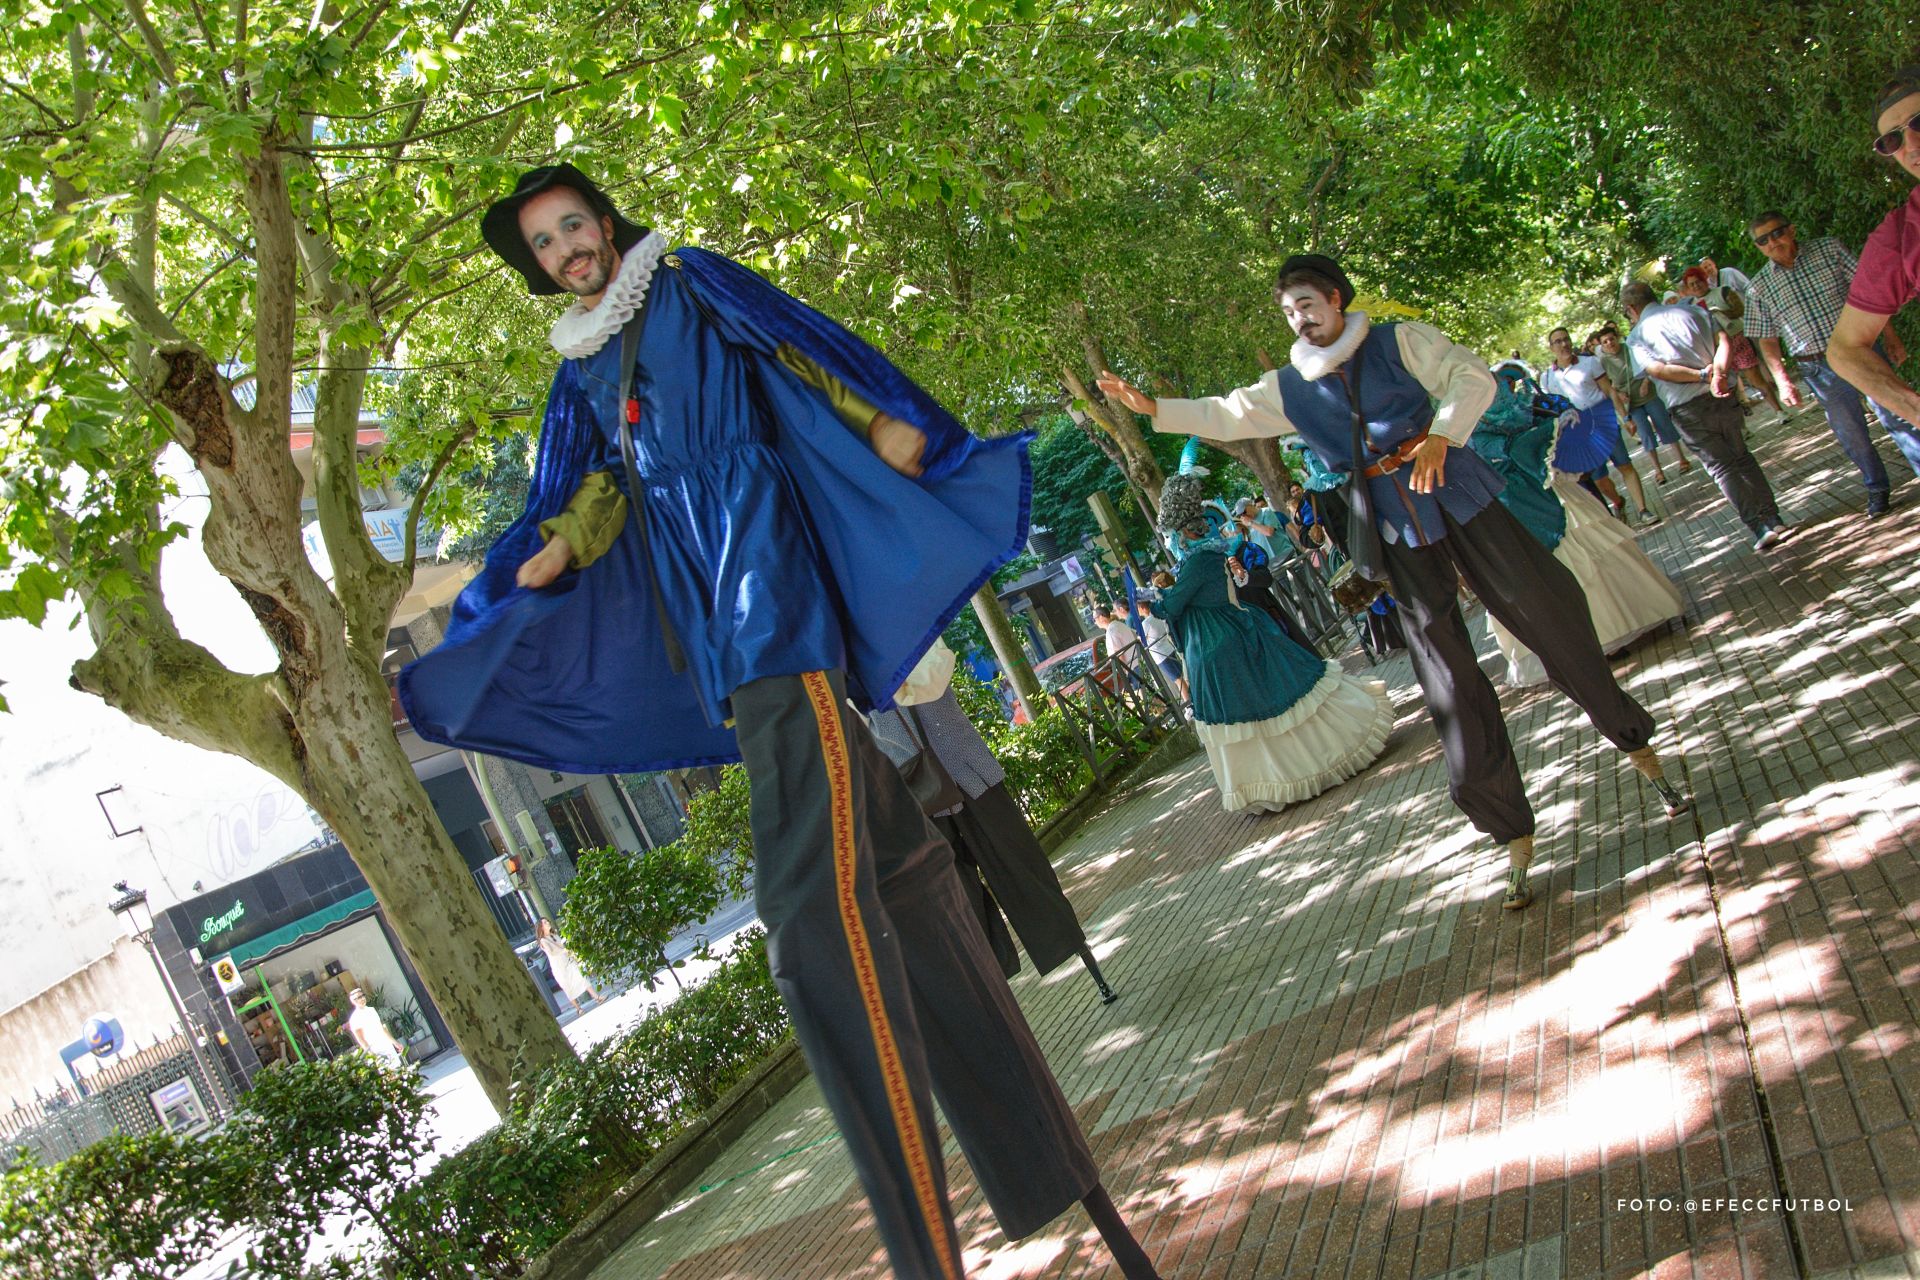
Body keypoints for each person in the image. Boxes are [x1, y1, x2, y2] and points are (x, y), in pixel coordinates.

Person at [398, 165, 1161, 1280]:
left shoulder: (690, 282)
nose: (569, 247)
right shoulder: (582, 368)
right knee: (894, 870)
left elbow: (797, 354)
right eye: (548, 243)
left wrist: (885, 423)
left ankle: (923, 1248)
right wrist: (552, 552)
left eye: (576, 224)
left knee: (808, 903)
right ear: (539, 269)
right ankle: (1043, 1170)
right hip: (704, 600)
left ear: (605, 225)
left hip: (767, 566)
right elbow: (598, 488)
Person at [1099, 253, 1690, 913]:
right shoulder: (1289, 386)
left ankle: (1635, 743)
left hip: (1454, 488)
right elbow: (1227, 413)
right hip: (1389, 522)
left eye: (1307, 304)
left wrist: (1441, 435)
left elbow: (1470, 377)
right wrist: (1151, 407)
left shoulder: (1396, 341)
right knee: (1443, 666)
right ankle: (1507, 829)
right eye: (1289, 311)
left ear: (1334, 297)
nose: (1300, 318)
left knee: (1542, 609)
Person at [885, 642, 1120, 1005]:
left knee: (1024, 871)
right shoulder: (842, 667)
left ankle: (1081, 959)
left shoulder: (916, 631)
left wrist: (888, 681)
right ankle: (994, 997)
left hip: (969, 772)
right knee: (959, 906)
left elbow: (935, 677)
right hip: (918, 795)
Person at [1146, 472, 1392, 816]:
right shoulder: (1203, 558)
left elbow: (1173, 606)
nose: (1172, 541)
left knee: (1264, 707)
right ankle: (1275, 781)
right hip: (1226, 636)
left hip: (1223, 642)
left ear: (1185, 532)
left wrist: (1156, 599)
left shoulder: (1199, 561)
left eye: (1172, 534)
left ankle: (1292, 775)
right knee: (1262, 709)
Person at [1468, 380, 1685, 686]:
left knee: (1581, 547)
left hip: (1543, 491)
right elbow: (1505, 451)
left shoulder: (1504, 405)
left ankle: (1613, 630)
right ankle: (1586, 644)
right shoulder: (1457, 425)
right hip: (1514, 503)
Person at [1744, 210, 1920, 519]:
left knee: (1895, 413)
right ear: (1758, 247)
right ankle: (1878, 488)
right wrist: (1782, 380)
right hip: (1818, 367)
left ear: (1792, 229)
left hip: (1862, 352)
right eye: (1763, 240)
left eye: (1777, 233)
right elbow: (1767, 340)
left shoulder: (1830, 249)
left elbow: (1871, 298)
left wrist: (1890, 336)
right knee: (1851, 433)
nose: (1773, 242)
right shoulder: (1759, 287)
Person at [1622, 280, 1792, 551]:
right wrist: (1719, 375)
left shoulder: (1637, 336)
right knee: (1742, 457)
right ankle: (1774, 518)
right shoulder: (1693, 311)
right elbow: (1724, 340)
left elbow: (1656, 370)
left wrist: (1702, 375)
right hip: (1722, 395)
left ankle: (1759, 527)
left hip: (1687, 407)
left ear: (1631, 308)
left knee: (1722, 468)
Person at [1830, 66, 1920, 436]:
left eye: (1918, 122)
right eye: (1892, 141)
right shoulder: (1899, 236)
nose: (1911, 144)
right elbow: (1844, 350)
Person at [1539, 326, 1658, 524]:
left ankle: (1643, 510)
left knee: (1625, 465)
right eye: (1558, 341)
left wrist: (1625, 417)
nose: (1564, 344)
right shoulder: (1547, 378)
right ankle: (1618, 502)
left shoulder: (1590, 362)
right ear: (1551, 348)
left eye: (1566, 339)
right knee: (1600, 479)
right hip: (1579, 435)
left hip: (1603, 424)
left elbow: (1610, 391)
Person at [1593, 324, 1692, 484]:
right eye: (1605, 342)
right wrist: (1619, 394)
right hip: (1631, 404)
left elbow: (1648, 364)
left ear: (1617, 338)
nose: (1609, 343)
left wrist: (1646, 381)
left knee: (1664, 425)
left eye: (1611, 339)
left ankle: (1682, 459)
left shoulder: (1629, 349)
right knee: (1645, 435)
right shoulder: (1603, 361)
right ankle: (1658, 471)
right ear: (1601, 345)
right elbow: (1607, 385)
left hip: (1648, 394)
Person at [1677, 266, 1782, 414]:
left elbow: (1740, 310)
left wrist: (1719, 312)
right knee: (1728, 388)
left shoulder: (1723, 291)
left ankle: (1779, 411)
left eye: (1698, 281)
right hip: (1716, 350)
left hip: (1737, 341)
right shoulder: (1690, 308)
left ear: (1705, 280)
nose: (1696, 286)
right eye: (1692, 284)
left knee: (1756, 379)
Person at [1141, 572, 1190, 702]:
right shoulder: (1158, 612)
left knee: (1178, 678)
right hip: (1170, 647)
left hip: (1164, 652)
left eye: (1157, 587)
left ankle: (1189, 702)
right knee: (1182, 674)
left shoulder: (1152, 617)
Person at [535, 917, 598, 1015]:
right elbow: (552, 952)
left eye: (547, 921)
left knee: (581, 977)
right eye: (545, 923)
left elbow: (563, 946)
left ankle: (596, 997)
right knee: (567, 987)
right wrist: (564, 951)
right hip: (559, 967)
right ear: (541, 927)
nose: (548, 923)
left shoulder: (554, 934)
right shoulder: (543, 941)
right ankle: (578, 1008)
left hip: (568, 961)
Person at [346, 989, 405, 1066]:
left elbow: (382, 1028)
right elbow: (361, 1040)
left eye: (363, 996)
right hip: (375, 1050)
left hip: (386, 1045)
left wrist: (395, 1042)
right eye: (359, 997)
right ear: (353, 1001)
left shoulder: (371, 1010)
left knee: (399, 1068)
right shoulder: (354, 1018)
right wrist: (371, 1055)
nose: (362, 998)